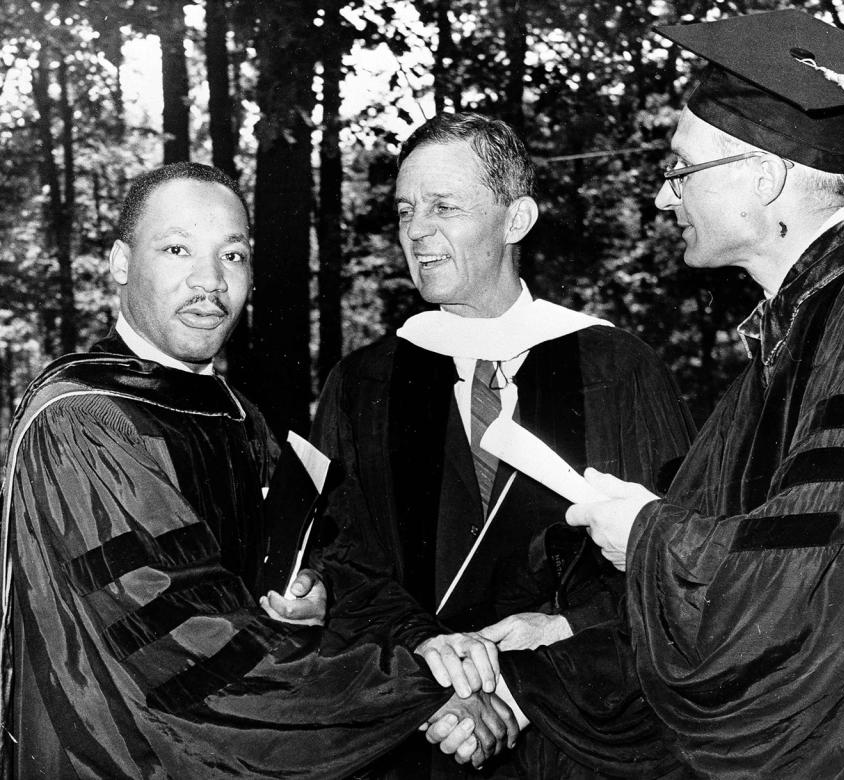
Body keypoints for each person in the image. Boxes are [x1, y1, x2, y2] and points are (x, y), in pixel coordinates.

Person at [451, 9, 844, 778]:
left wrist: (650, 536)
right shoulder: (777, 352)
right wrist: (567, 628)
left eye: (680, 170)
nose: (662, 197)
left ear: (764, 175)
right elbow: (743, 561)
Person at [0, 161, 517, 778]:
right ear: (119, 263)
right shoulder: (84, 421)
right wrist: (424, 690)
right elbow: (191, 647)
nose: (209, 282)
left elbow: (329, 553)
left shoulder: (238, 416)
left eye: (233, 256)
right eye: (175, 249)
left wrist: (322, 595)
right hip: (122, 754)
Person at [296, 112, 694, 776]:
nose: (416, 230)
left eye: (444, 207)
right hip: (418, 730)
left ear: (516, 221)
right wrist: (429, 648)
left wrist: (561, 632)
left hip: (575, 732)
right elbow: (340, 560)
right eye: (404, 212)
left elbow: (678, 558)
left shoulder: (618, 368)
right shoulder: (362, 383)